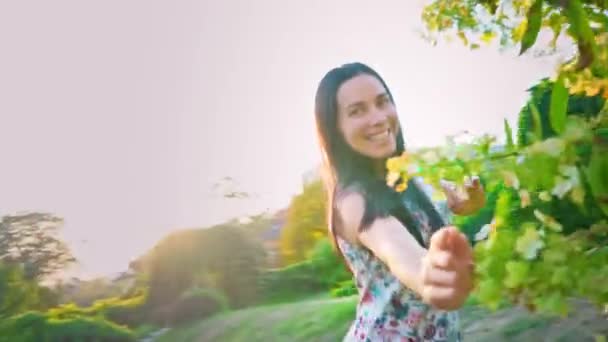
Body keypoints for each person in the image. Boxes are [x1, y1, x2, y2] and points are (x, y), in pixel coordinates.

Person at [313, 62, 486, 341]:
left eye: (383, 102)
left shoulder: (413, 173)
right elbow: (395, 248)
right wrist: (428, 276)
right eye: (357, 111)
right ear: (336, 130)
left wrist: (467, 203)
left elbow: (452, 203)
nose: (378, 117)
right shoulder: (352, 201)